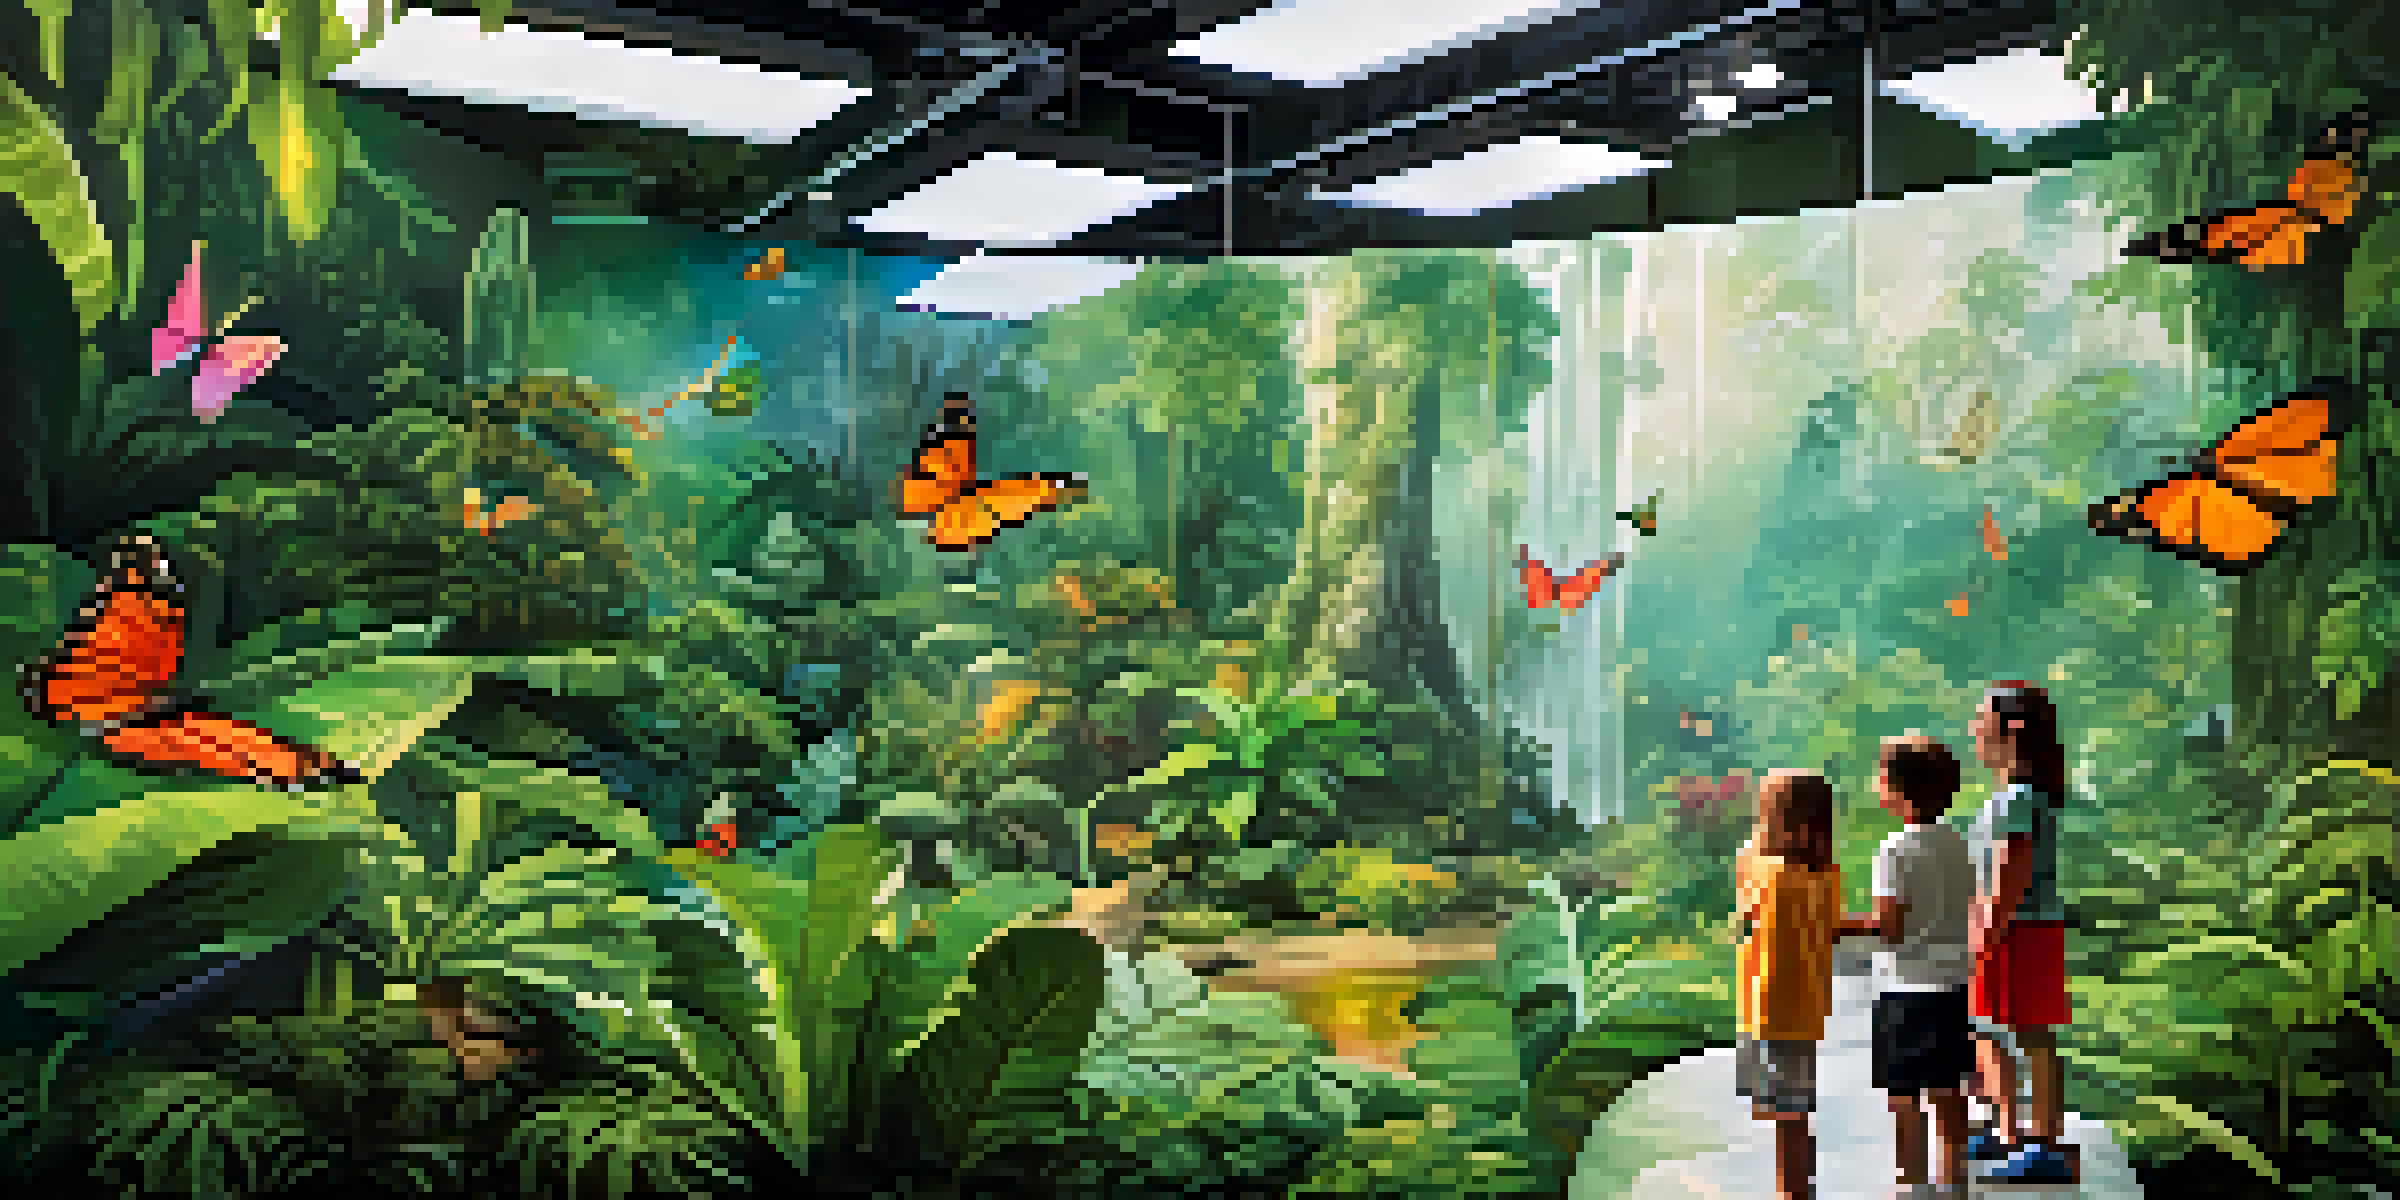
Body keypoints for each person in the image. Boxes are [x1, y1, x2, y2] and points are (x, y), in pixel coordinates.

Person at [1840, 735, 1976, 1199]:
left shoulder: (1895, 849)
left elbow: (1889, 928)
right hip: (1953, 984)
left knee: (1905, 1093)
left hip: (1905, 987)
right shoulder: (1958, 843)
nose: (1875, 784)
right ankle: (1954, 1177)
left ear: (1899, 788)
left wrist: (1833, 925)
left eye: (1880, 777)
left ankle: (1911, 1180)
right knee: (1949, 1086)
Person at [1964, 682, 2079, 1183]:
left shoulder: (2018, 798)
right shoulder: (2016, 796)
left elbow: (2012, 868)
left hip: (2020, 930)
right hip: (2012, 928)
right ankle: (2010, 1133)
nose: (1974, 727)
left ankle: (2045, 1145)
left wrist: (1988, 929)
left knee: (2030, 1034)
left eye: (1981, 717)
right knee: (1989, 1029)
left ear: (2011, 728)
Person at [1735, 770, 1843, 1200]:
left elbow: (1746, 906)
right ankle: (1801, 1188)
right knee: (1796, 1111)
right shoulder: (1826, 873)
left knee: (1784, 1113)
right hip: (1806, 1007)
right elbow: (1831, 928)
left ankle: (1791, 1192)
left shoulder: (1765, 870)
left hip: (1768, 1005)